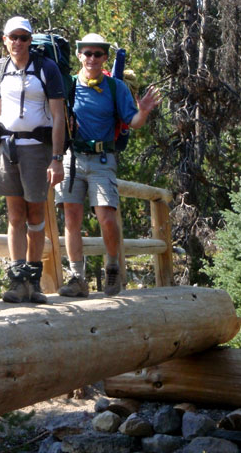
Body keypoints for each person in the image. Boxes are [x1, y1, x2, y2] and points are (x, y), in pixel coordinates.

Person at [54, 33, 160, 297]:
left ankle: (112, 268)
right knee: (71, 219)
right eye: (87, 53)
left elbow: (132, 122)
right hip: (72, 157)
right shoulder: (68, 86)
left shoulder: (116, 88)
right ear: (79, 55)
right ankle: (77, 278)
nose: (92, 58)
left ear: (105, 58)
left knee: (106, 217)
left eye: (98, 54)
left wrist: (143, 111)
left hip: (103, 159)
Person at [0, 16, 66, 304]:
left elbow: (58, 116)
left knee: (35, 216)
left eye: (24, 38)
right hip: (6, 149)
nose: (18, 43)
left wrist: (57, 158)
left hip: (37, 148)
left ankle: (33, 283)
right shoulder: (0, 68)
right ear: (5, 39)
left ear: (30, 40)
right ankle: (16, 280)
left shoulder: (46, 68)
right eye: (13, 37)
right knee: (14, 216)